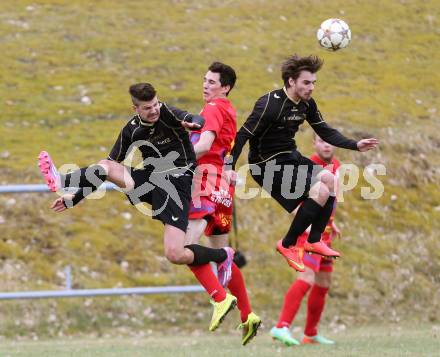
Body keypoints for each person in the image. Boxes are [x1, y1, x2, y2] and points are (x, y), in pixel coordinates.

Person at [38, 83, 237, 331]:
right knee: (107, 166)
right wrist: (75, 199)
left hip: (177, 185)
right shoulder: (131, 129)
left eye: (155, 104)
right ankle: (61, 181)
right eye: (147, 108)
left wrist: (193, 123)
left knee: (175, 253)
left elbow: (194, 118)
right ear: (136, 108)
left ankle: (222, 258)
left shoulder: (168, 113)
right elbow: (103, 172)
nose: (154, 110)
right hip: (152, 182)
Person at [227, 54, 378, 271]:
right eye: (306, 83)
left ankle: (314, 240)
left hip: (290, 156)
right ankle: (287, 244)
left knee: (331, 180)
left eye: (313, 83)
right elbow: (242, 136)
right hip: (266, 165)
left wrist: (355, 145)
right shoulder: (269, 104)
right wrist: (228, 168)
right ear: (291, 81)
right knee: (320, 192)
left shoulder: (306, 104)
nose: (311, 88)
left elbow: (325, 131)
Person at [185, 62, 261, 345]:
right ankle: (248, 315)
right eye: (204, 80)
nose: (206, 85)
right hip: (222, 190)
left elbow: (204, 146)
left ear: (225, 87)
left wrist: (176, 159)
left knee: (183, 248)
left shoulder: (214, 108)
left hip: (205, 186)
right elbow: (222, 149)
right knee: (221, 256)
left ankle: (219, 298)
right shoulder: (228, 108)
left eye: (212, 82)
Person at [270, 134, 342, 346]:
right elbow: (294, 204)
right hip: (309, 234)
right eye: (321, 141)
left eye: (329, 141)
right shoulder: (307, 167)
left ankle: (310, 334)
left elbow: (326, 199)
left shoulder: (336, 165)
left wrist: (331, 221)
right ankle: (281, 326)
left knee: (323, 281)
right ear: (314, 143)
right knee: (307, 278)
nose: (326, 144)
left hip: (324, 234)